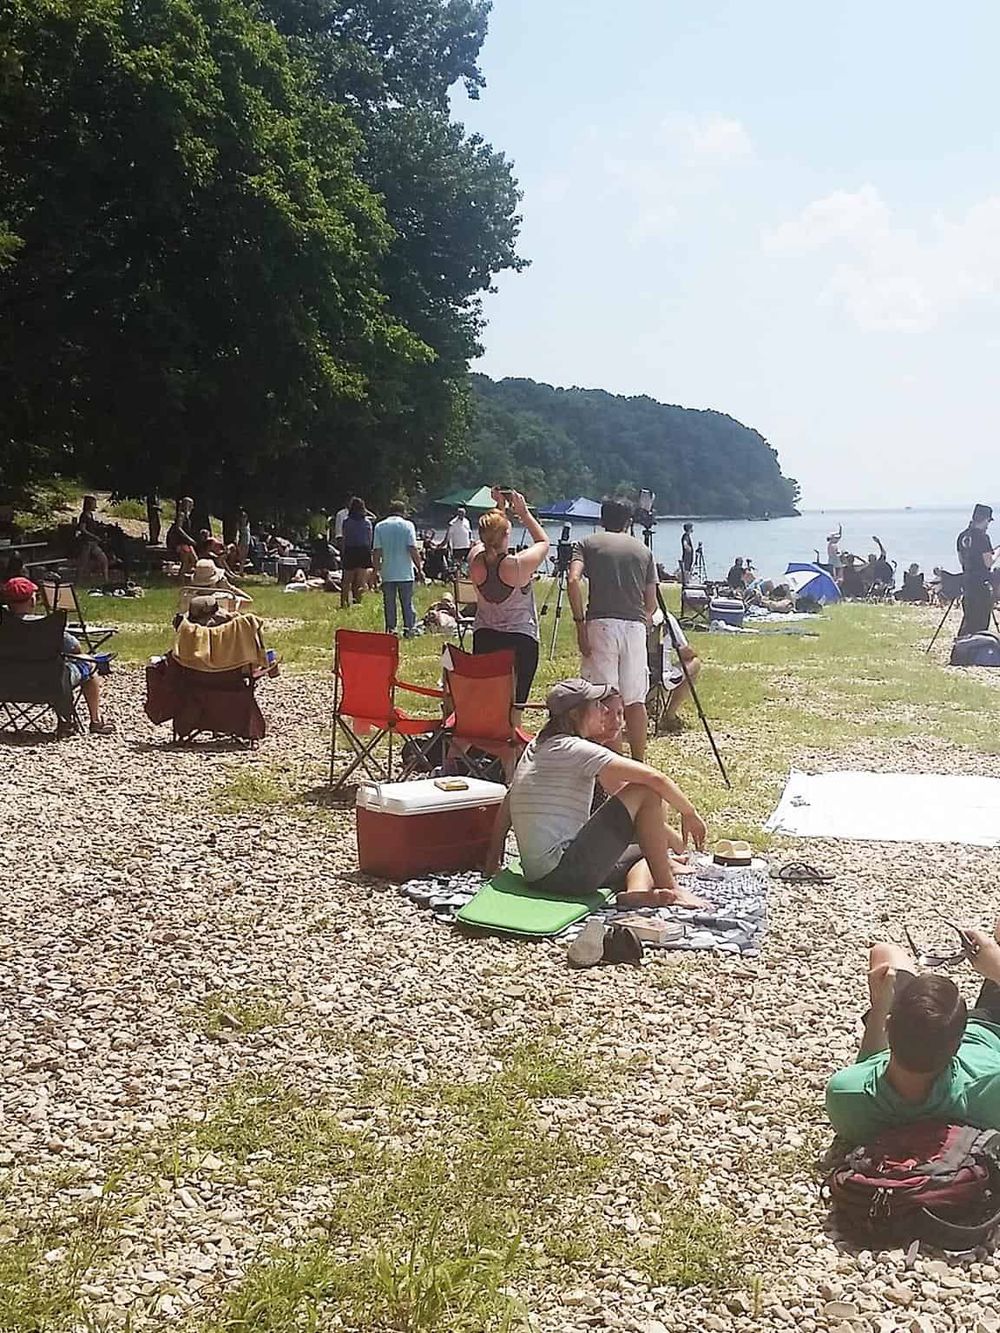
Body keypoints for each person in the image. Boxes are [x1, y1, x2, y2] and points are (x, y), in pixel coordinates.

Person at [484, 679, 709, 909]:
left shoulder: (536, 747)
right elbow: (655, 779)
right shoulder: (571, 748)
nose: (604, 710)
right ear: (575, 714)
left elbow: (509, 799)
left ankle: (636, 892)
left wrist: (493, 858)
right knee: (646, 792)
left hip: (539, 876)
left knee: (649, 847)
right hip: (567, 874)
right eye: (597, 706)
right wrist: (689, 813)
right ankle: (672, 889)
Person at [825, 927, 1000, 1145]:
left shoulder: (844, 1093)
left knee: (884, 953)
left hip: (934, 1030)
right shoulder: (989, 1082)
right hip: (991, 1027)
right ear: (958, 1047)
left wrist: (880, 1007)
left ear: (889, 1027)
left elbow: (867, 1068)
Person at [567, 498, 657, 762]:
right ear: (629, 522)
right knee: (635, 700)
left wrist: (579, 623)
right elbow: (650, 603)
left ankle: (613, 764)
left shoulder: (586, 544)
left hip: (601, 623)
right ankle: (639, 763)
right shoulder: (643, 551)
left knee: (606, 698)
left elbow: (573, 580)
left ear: (601, 519)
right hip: (635, 626)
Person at [1, 576, 115, 736]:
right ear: (32, 601)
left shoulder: (3, 626)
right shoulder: (46, 626)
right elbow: (75, 648)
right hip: (49, 684)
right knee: (89, 663)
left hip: (7, 684)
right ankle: (94, 722)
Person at [468, 489, 549, 704]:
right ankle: (512, 730)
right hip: (519, 640)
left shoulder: (475, 559)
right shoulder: (516, 565)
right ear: (506, 535)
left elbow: (488, 537)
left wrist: (499, 509)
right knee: (515, 705)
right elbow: (543, 543)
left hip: (485, 637)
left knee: (488, 701)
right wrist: (524, 514)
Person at [372, 500, 423, 637]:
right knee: (407, 603)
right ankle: (409, 629)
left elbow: (376, 551)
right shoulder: (408, 525)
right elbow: (412, 548)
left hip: (387, 572)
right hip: (405, 572)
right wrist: (419, 568)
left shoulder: (379, 526)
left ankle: (391, 631)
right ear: (403, 511)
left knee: (389, 604)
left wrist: (375, 571)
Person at [650, 608, 701, 732]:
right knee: (695, 663)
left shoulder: (624, 616)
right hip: (658, 678)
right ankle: (669, 715)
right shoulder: (664, 618)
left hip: (627, 679)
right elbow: (685, 652)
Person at [957, 504, 995, 637]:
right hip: (980, 585)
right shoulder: (983, 538)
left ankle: (962, 648)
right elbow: (988, 562)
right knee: (980, 623)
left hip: (967, 583)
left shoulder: (962, 536)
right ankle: (977, 651)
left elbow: (962, 561)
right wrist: (996, 553)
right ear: (985, 519)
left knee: (969, 620)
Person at [340, 497, 373, 608]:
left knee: (346, 581)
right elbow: (369, 539)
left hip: (350, 550)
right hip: (363, 551)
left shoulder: (346, 522)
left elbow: (344, 538)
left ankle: (344, 602)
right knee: (360, 580)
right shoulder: (367, 523)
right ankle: (357, 602)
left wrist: (343, 553)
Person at [75, 495, 110, 583]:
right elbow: (82, 529)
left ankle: (106, 580)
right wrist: (94, 536)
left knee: (104, 559)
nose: (95, 505)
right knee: (82, 563)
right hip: (86, 543)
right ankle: (78, 582)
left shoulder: (91, 515)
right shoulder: (84, 516)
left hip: (93, 543)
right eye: (94, 503)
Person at [166, 498, 198, 576]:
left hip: (184, 543)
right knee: (186, 561)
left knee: (195, 560)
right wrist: (189, 539)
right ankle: (181, 579)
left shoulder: (187, 516)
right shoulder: (181, 515)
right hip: (177, 542)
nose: (191, 507)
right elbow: (178, 528)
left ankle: (184, 575)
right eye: (189, 505)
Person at [445, 507, 473, 573]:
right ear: (457, 513)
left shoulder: (467, 521)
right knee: (457, 565)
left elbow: (469, 532)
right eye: (460, 513)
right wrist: (448, 545)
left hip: (467, 545)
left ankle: (467, 577)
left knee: (469, 562)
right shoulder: (452, 523)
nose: (461, 514)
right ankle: (458, 579)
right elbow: (448, 536)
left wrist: (471, 540)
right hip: (457, 547)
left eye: (463, 513)